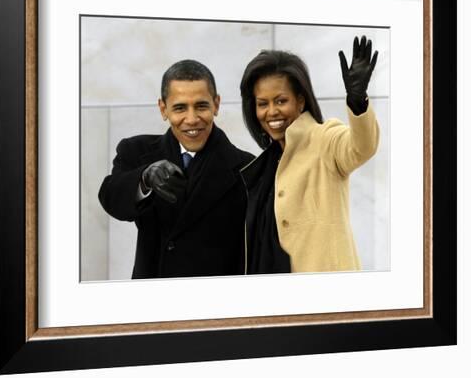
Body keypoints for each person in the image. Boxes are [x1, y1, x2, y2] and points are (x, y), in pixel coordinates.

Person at [99, 59, 254, 279]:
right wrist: (144, 178)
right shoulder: (136, 151)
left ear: (216, 105)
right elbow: (111, 198)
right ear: (163, 109)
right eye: (180, 108)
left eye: (201, 106)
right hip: (153, 302)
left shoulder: (248, 168)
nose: (191, 119)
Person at [239, 36, 380, 273]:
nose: (271, 111)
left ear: (300, 101)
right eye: (262, 103)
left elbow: (360, 147)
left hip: (327, 297)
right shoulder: (265, 164)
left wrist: (358, 101)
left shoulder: (324, 139)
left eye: (281, 101)